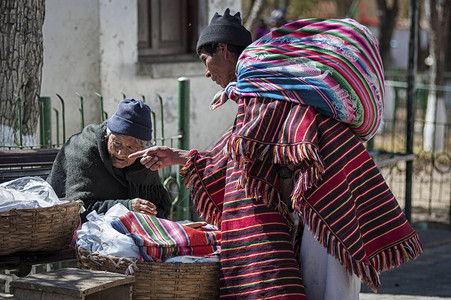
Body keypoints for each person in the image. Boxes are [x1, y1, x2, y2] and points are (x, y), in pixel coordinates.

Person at [130, 9, 423, 299]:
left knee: (329, 287)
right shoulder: (267, 88)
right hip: (324, 188)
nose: (206, 72)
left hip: (323, 192)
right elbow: (240, 150)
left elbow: (246, 149)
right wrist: (179, 156)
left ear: (222, 48)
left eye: (205, 59)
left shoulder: (258, 82)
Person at [47, 98, 172, 222]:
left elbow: (159, 205)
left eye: (131, 147)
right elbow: (77, 208)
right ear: (108, 136)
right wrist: (126, 207)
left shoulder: (144, 159)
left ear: (143, 148)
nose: (121, 152)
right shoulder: (82, 148)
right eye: (117, 143)